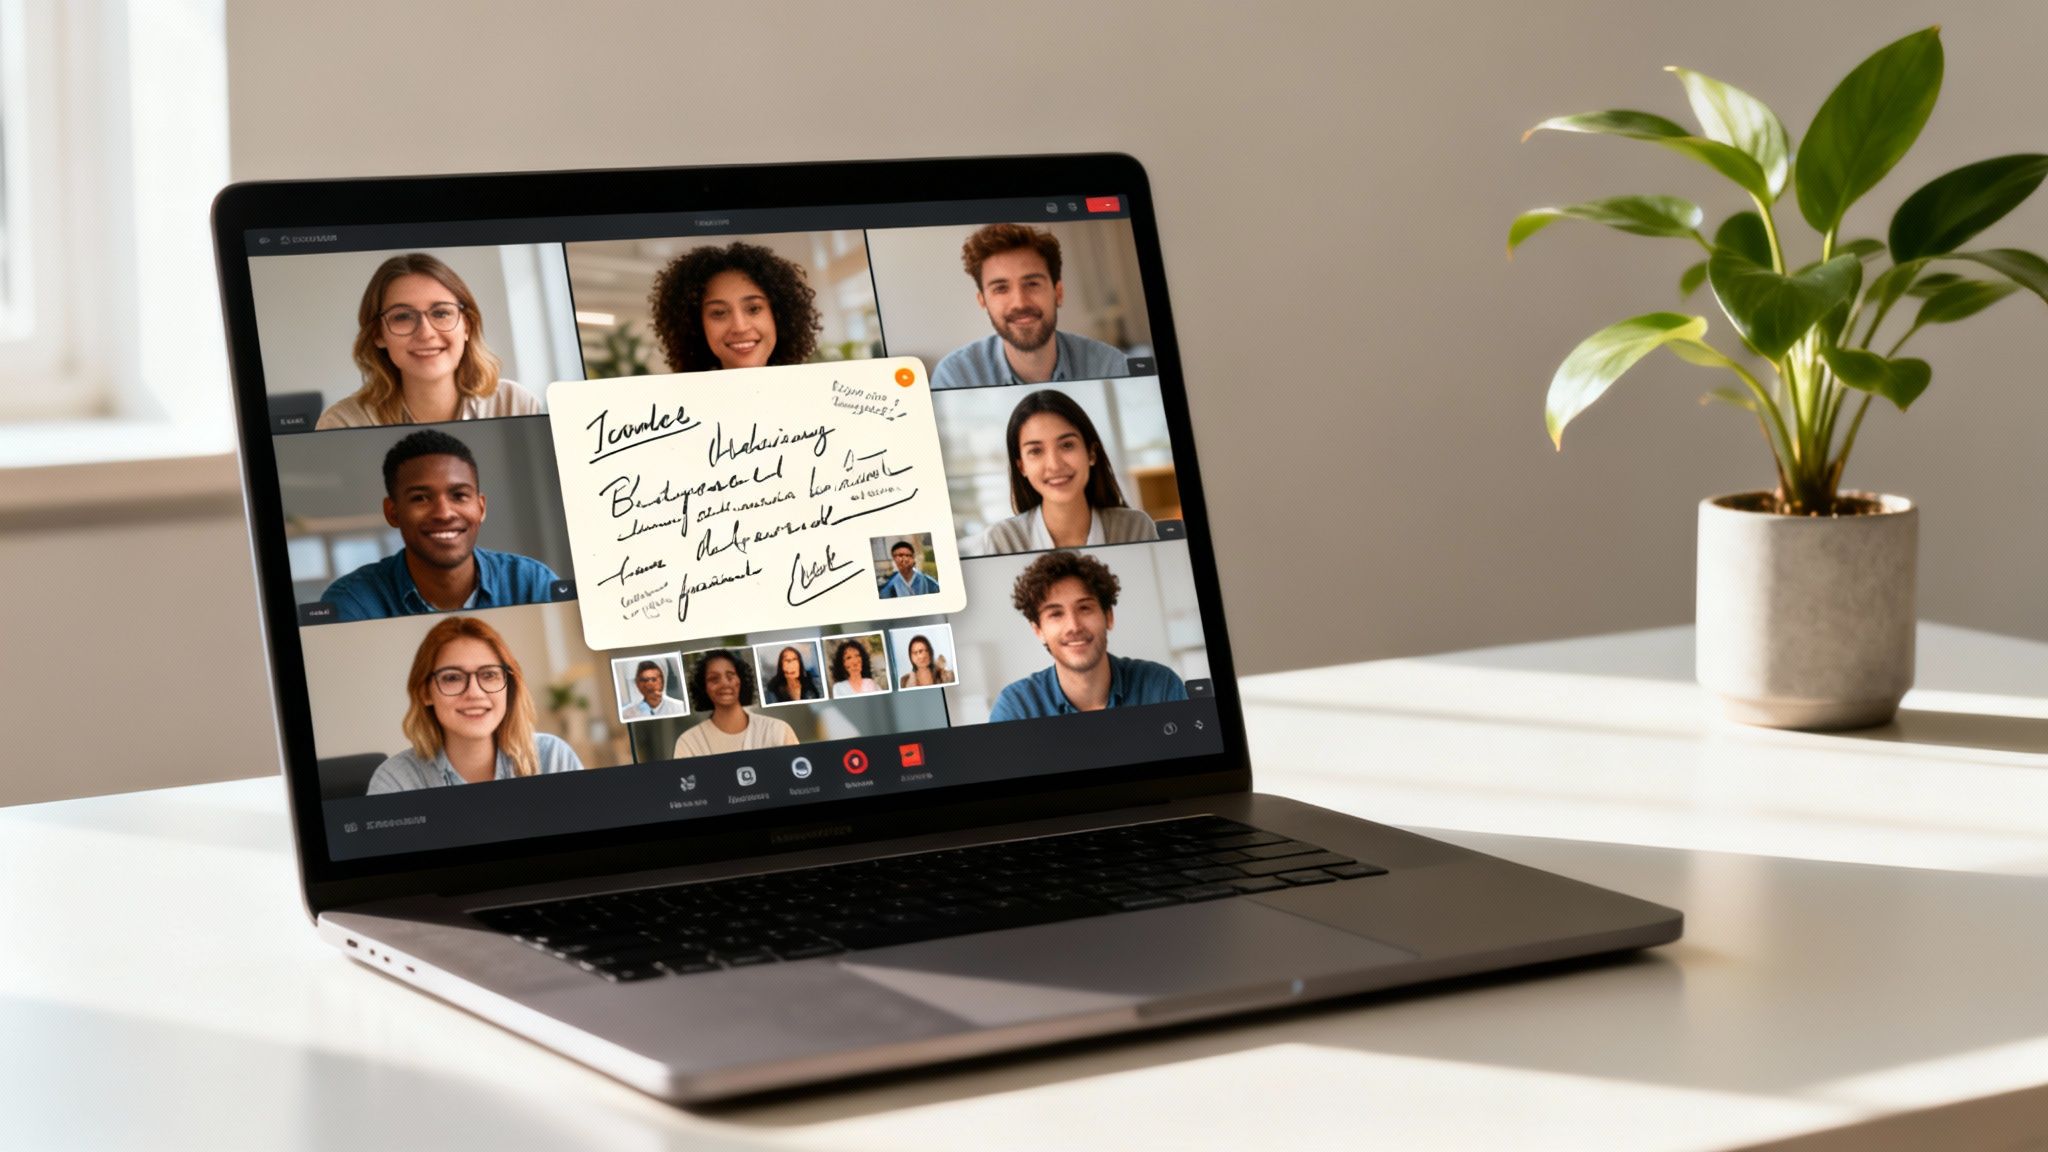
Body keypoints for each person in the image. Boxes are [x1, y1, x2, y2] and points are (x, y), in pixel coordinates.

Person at [320, 429, 561, 622]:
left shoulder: (531, 583)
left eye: (459, 495)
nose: (444, 513)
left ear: (481, 508)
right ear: (392, 512)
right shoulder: (351, 603)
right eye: (421, 498)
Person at [318, 253, 543, 428]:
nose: (425, 333)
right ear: (378, 334)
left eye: (441, 313)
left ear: (467, 326)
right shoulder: (342, 422)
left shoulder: (515, 405)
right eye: (403, 317)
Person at [365, 616, 584, 793]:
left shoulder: (554, 758)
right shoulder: (396, 781)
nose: (474, 693)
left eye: (489, 675)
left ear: (509, 686)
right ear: (425, 692)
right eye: (452, 678)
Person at [988, 550, 1186, 722]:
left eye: (1084, 608)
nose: (1074, 626)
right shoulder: (1016, 708)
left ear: (1108, 617)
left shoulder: (1160, 685)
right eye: (1056, 614)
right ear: (1038, 631)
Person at [960, 389, 1159, 556]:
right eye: (1036, 451)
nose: (1054, 465)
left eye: (1067, 445)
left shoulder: (1136, 528)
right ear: (1022, 467)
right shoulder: (1003, 541)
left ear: (1091, 453)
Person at [930, 223, 1129, 389]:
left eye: (1032, 284)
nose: (1020, 302)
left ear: (1058, 293)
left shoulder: (1109, 365)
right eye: (1000, 288)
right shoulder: (955, 377)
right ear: (983, 301)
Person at [647, 241, 823, 373]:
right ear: (696, 326)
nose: (740, 326)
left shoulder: (817, 399)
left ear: (778, 316)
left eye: (753, 309)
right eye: (718, 313)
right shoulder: (678, 410)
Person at [671, 649, 799, 757]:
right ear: (703, 687)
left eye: (730, 675)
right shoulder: (689, 743)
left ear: (740, 680)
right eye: (714, 678)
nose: (725, 683)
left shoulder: (779, 731)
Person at [621, 659, 687, 719]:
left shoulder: (680, 708)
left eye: (654, 679)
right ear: (637, 684)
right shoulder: (626, 714)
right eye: (644, 680)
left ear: (662, 681)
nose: (649, 684)